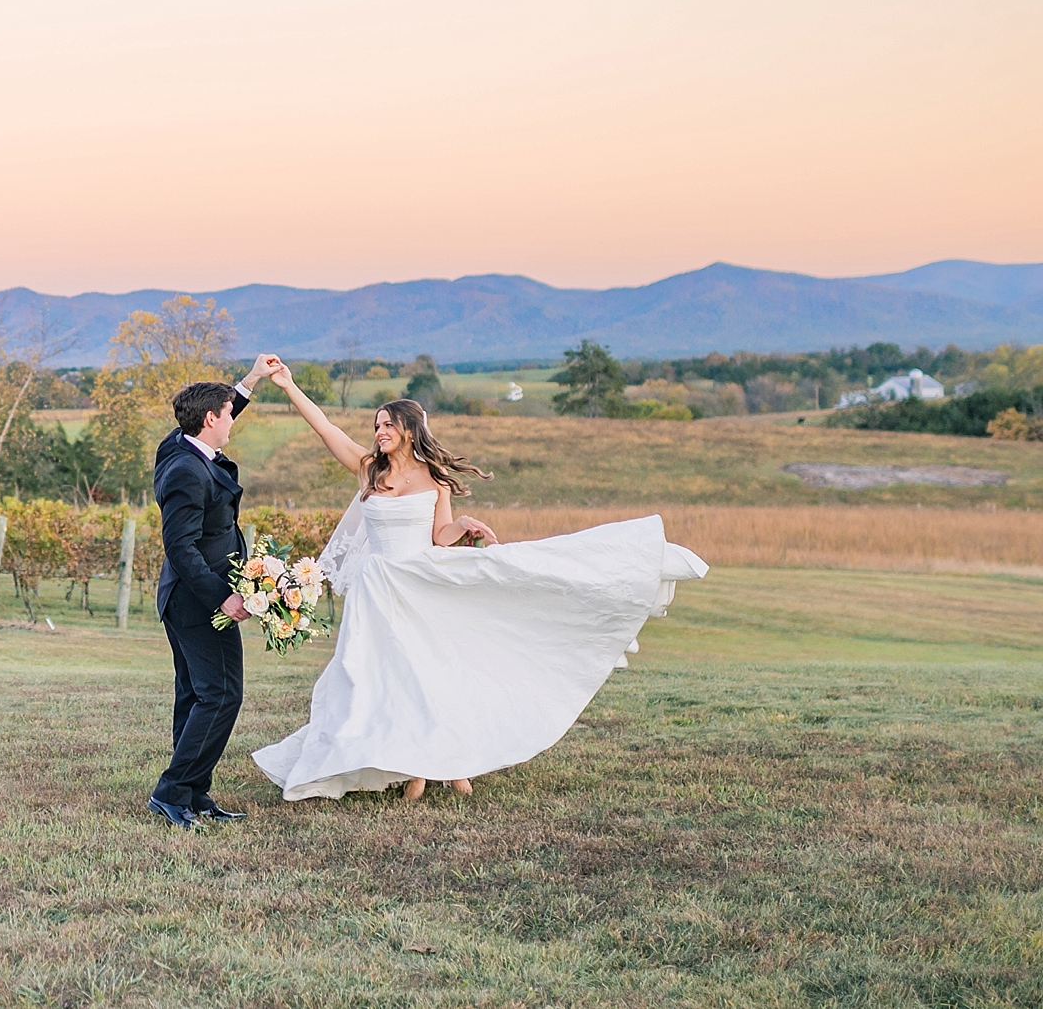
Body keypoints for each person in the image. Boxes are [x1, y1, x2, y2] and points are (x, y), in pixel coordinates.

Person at [251, 365, 708, 802]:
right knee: (381, 677)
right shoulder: (369, 469)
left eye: (387, 425)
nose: (379, 433)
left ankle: (447, 766)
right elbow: (326, 428)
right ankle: (417, 768)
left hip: (422, 585)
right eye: (376, 426)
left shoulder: (434, 480)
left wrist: (464, 524)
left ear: (408, 430)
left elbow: (438, 537)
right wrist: (289, 387)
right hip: (377, 591)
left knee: (429, 672)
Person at [147, 354, 282, 829]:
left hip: (181, 600)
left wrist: (249, 382)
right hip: (197, 601)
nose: (231, 423)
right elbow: (180, 548)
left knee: (196, 694)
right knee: (222, 695)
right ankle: (172, 792)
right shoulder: (187, 470)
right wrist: (223, 599)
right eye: (226, 415)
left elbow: (219, 412)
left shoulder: (178, 445)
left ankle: (193, 793)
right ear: (209, 420)